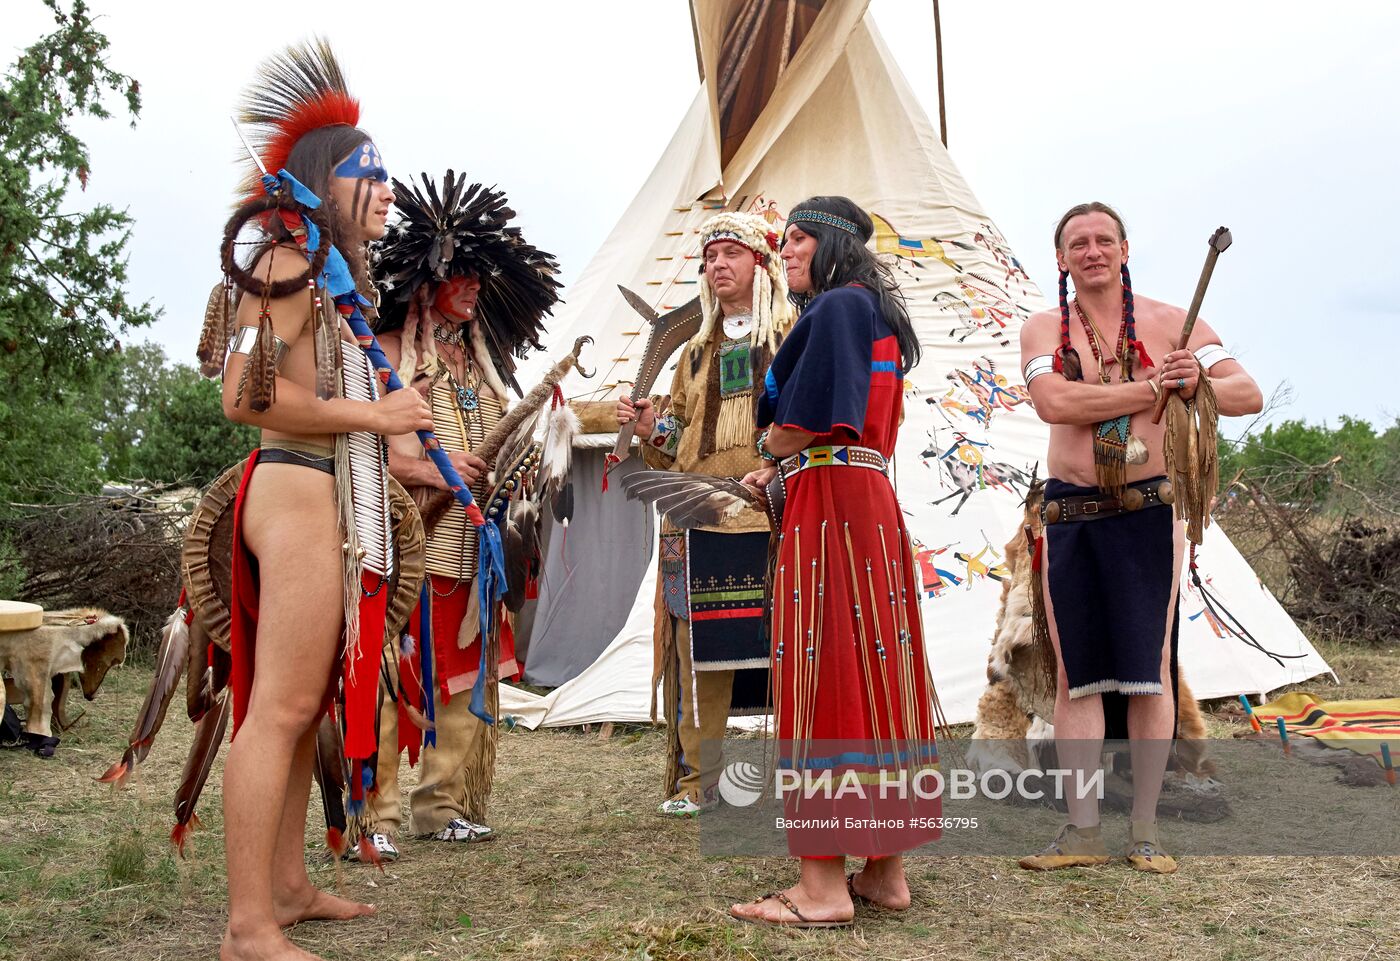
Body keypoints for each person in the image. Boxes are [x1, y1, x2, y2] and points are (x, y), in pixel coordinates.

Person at [205, 41, 432, 961]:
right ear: (322, 182)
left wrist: (405, 451)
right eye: (369, 178)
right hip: (293, 488)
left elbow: (317, 393)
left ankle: (290, 887)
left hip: (324, 489)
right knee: (282, 707)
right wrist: (373, 415)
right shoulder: (284, 264)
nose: (386, 194)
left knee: (307, 706)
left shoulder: (327, 282)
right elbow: (242, 396)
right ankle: (247, 925)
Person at [1017, 201, 1262, 874]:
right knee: (1078, 679)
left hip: (1148, 513)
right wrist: (1148, 386)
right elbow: (1056, 404)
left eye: (1104, 239)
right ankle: (1083, 830)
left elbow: (1247, 393)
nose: (1092, 251)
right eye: (1077, 243)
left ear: (1125, 249)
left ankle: (1145, 831)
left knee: (1149, 678)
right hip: (1071, 514)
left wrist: (1195, 378)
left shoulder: (1166, 323)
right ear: (1061, 258)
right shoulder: (1045, 327)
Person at [730, 197, 943, 927]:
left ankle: (820, 888)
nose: (785, 250)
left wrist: (770, 454)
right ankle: (884, 871)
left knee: (822, 669)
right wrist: (790, 463)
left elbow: (801, 423)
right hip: (867, 497)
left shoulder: (837, 309)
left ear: (833, 244)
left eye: (798, 239)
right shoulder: (874, 310)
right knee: (876, 670)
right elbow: (856, 424)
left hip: (833, 511)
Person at [356, 172, 561, 860]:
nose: (474, 284)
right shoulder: (388, 352)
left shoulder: (481, 363)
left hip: (475, 550)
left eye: (480, 273)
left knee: (467, 680)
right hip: (407, 542)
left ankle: (438, 804)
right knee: (392, 681)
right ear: (427, 273)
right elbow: (372, 454)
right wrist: (438, 471)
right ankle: (374, 813)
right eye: (461, 271)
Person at [615, 212, 795, 816]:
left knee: (792, 639)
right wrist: (647, 426)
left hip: (775, 510)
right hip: (700, 514)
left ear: (760, 265)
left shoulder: (794, 334)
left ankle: (800, 775)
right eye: (710, 257)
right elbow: (677, 435)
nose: (718, 265)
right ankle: (701, 781)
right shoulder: (692, 354)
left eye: (731, 254)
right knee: (699, 650)